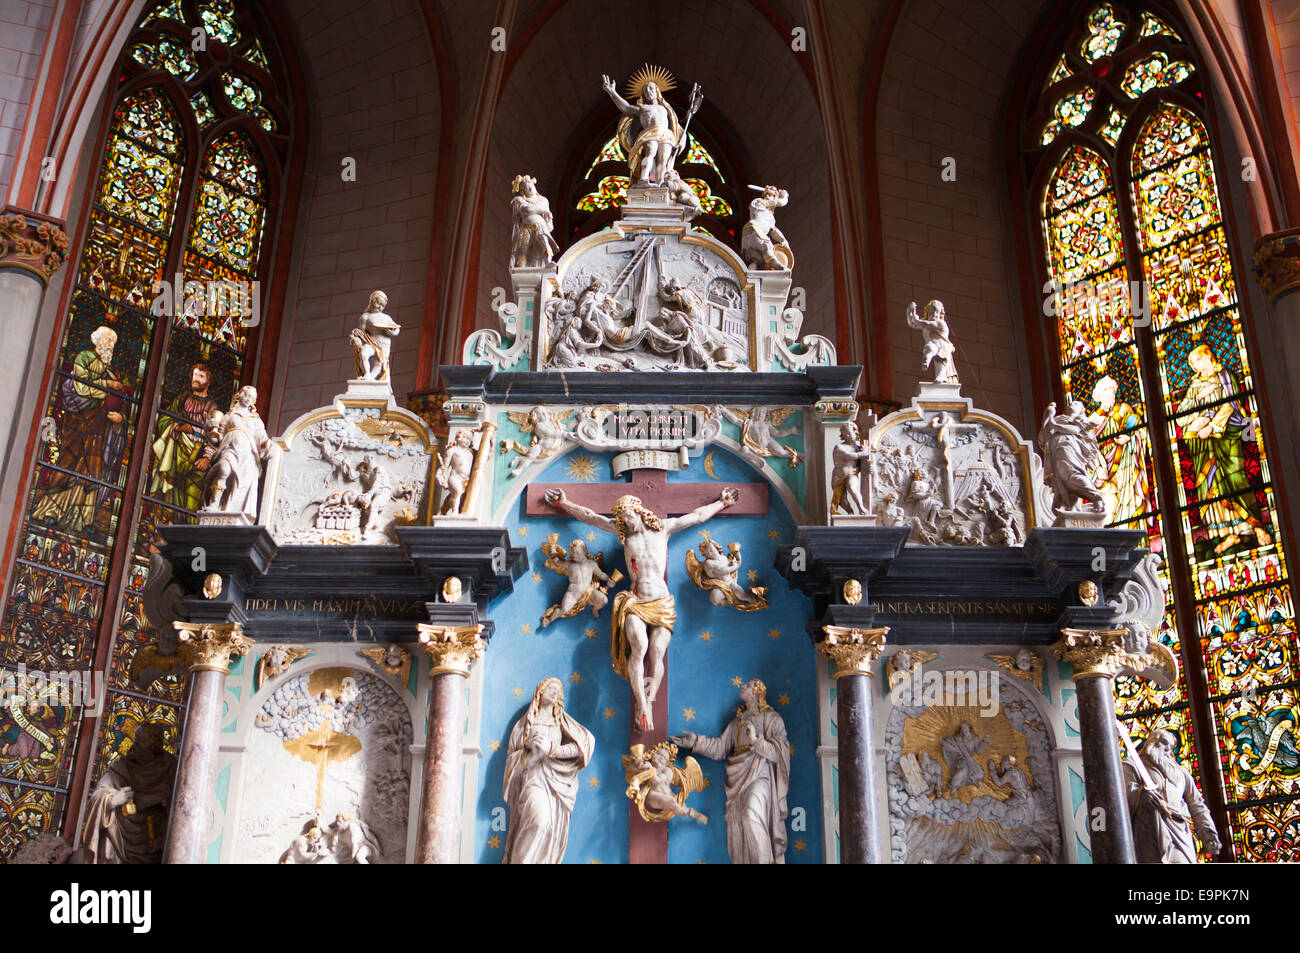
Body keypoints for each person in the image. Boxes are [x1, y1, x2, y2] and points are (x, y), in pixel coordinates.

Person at [545, 487, 737, 731]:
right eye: (622, 519)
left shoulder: (664, 529)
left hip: (662, 601)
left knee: (656, 651)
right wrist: (565, 503)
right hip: (635, 600)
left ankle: (649, 700)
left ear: (639, 512)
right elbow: (591, 516)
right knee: (640, 646)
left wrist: (721, 503)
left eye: (629, 517)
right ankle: (641, 705)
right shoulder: (622, 533)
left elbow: (697, 516)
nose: (626, 523)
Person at [673, 679, 790, 863]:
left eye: (748, 685)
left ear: (758, 692)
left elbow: (780, 753)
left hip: (760, 776)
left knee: (751, 815)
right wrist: (695, 742)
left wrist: (755, 741)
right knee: (738, 826)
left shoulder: (772, 719)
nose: (743, 686)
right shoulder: (737, 722)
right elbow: (720, 748)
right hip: (737, 777)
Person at [30, 326, 130, 533]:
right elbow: (80, 387)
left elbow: (123, 403)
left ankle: (83, 519)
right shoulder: (83, 358)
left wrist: (120, 420)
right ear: (96, 341)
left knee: (92, 468)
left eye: (112, 342)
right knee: (68, 461)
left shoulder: (113, 371)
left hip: (100, 427)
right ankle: (51, 512)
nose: (110, 345)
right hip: (77, 421)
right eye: (107, 340)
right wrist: (106, 385)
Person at [1178, 345, 1270, 555]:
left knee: (1236, 478)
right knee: (1211, 486)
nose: (1195, 367)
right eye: (1192, 364)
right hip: (1203, 446)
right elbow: (1182, 417)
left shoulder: (1225, 377)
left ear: (1208, 358)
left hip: (1227, 436)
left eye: (1197, 361)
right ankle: (1227, 533)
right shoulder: (1195, 385)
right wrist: (1198, 400)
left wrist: (1212, 426)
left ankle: (1253, 526)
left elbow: (1232, 405)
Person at [502, 678, 595, 864]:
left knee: (551, 829)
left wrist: (554, 751)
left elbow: (584, 745)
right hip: (533, 778)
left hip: (557, 781)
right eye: (550, 688)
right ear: (540, 692)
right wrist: (533, 755)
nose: (554, 692)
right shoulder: (525, 724)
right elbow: (513, 757)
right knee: (538, 821)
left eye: (557, 690)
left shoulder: (562, 723)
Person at [83, 723, 177, 864]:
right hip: (123, 833)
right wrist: (112, 800)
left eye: (141, 741)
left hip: (156, 836)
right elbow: (100, 792)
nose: (135, 745)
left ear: (154, 746)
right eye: (136, 739)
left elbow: (181, 806)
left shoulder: (170, 766)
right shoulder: (122, 766)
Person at [1126, 729, 1220, 863]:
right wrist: (1141, 794)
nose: (1167, 751)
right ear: (1152, 744)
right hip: (1149, 828)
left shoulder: (1181, 773)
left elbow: (1196, 804)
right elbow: (1122, 792)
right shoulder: (1133, 766)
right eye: (1163, 745)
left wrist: (1208, 831)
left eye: (1169, 748)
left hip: (1179, 829)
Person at [149, 362, 221, 509]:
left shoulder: (212, 407)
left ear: (208, 381)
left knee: (191, 501)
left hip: (198, 458)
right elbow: (163, 420)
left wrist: (207, 458)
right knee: (169, 498)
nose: (196, 379)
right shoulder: (182, 400)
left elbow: (215, 437)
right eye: (194, 375)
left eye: (201, 376)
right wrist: (178, 427)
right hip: (176, 453)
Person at [1087, 375, 1148, 524]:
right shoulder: (1093, 420)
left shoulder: (1124, 409)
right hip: (1105, 467)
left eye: (1113, 390)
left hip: (1127, 461)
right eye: (1106, 389)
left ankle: (1136, 534)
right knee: (1111, 502)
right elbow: (1086, 448)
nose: (1111, 393)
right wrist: (1097, 468)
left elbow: (1141, 432)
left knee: (1130, 499)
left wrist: (1131, 438)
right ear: (1099, 395)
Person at [202, 385, 270, 518]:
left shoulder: (255, 420)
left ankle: (229, 509)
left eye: (251, 397)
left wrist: (267, 444)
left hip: (248, 455)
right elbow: (218, 438)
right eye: (246, 395)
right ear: (239, 395)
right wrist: (210, 433)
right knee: (224, 469)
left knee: (241, 484)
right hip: (229, 448)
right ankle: (214, 504)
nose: (248, 399)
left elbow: (261, 436)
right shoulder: (228, 416)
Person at [601, 74, 680, 185]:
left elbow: (674, 124)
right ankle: (643, 179)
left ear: (657, 91)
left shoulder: (666, 108)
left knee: (663, 159)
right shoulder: (642, 108)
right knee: (651, 151)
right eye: (645, 90)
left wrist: (682, 137)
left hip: (665, 135)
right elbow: (626, 108)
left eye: (651, 88)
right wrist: (612, 92)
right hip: (650, 133)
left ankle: (660, 183)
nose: (648, 91)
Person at [509, 174, 559, 267]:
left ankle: (548, 262)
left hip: (540, 226)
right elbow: (526, 209)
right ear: (523, 190)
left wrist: (549, 223)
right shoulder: (519, 200)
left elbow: (548, 219)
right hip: (526, 228)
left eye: (529, 184)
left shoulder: (543, 200)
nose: (529, 187)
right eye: (525, 186)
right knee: (523, 250)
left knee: (544, 243)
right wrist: (542, 211)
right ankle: (521, 268)